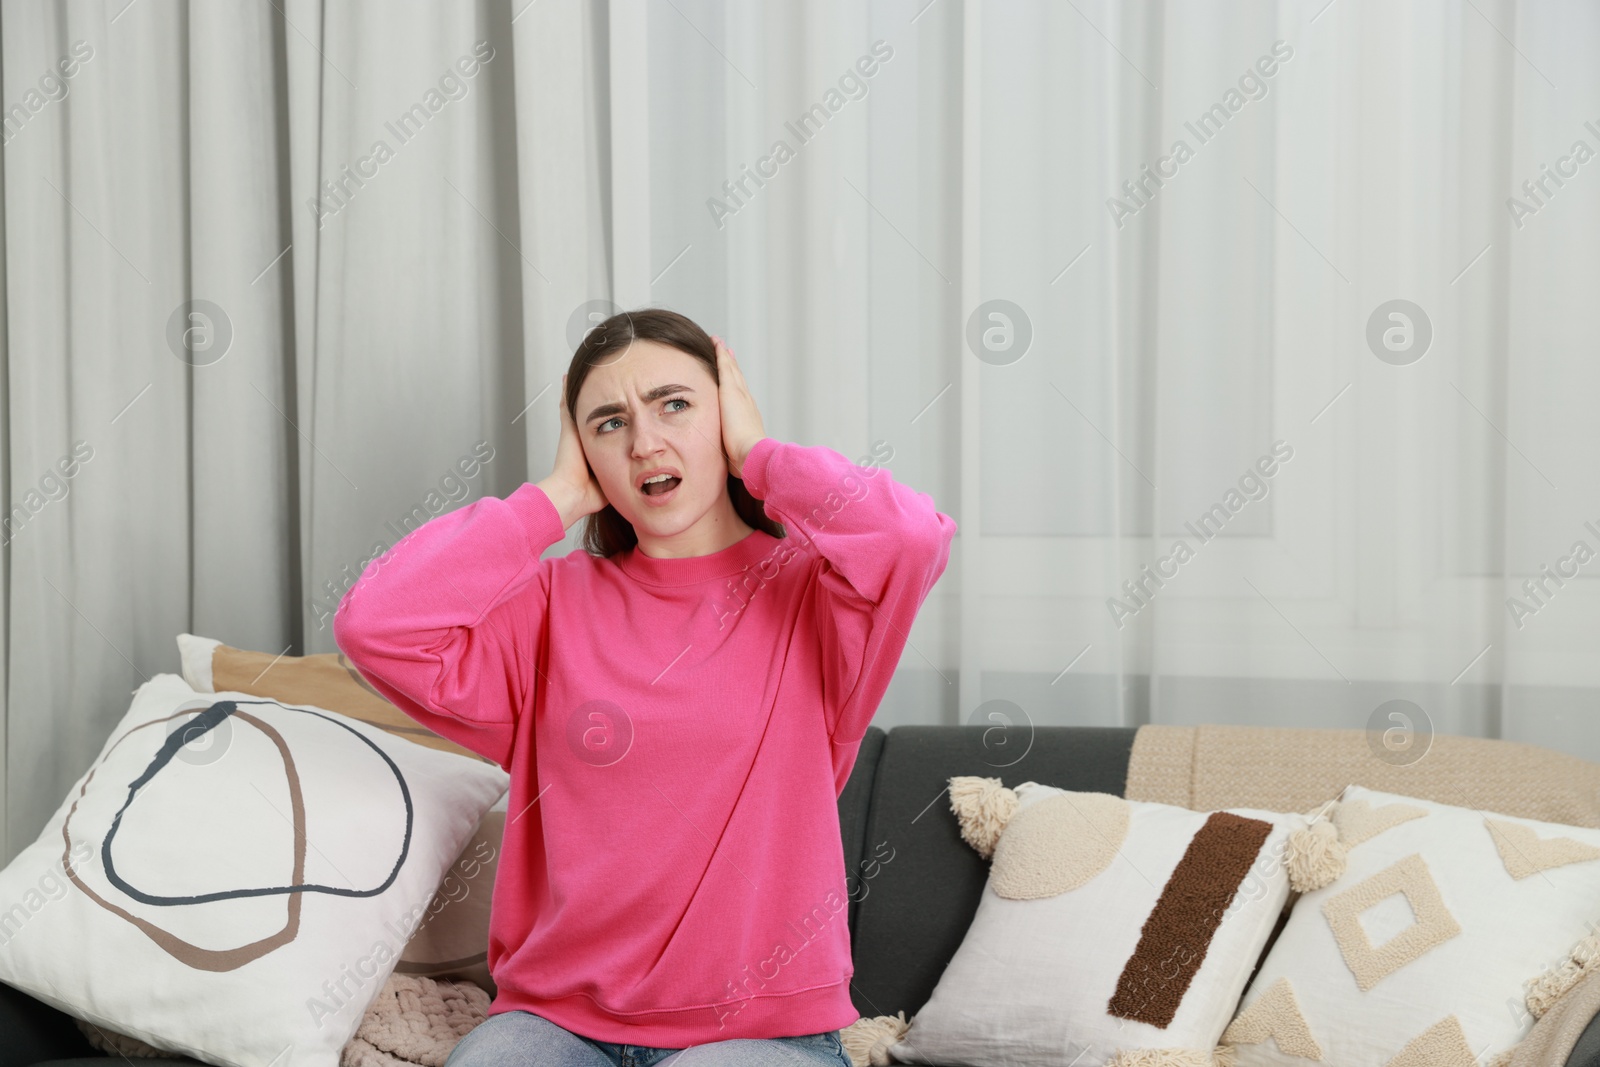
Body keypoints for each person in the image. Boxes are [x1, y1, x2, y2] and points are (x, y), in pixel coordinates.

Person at [334, 308, 957, 1066]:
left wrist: (758, 453)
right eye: (608, 422)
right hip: (554, 1023)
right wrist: (556, 498)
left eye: (675, 403)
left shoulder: (817, 596)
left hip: (757, 1033)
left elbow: (911, 537)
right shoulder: (547, 606)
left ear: (723, 414)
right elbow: (374, 624)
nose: (644, 442)